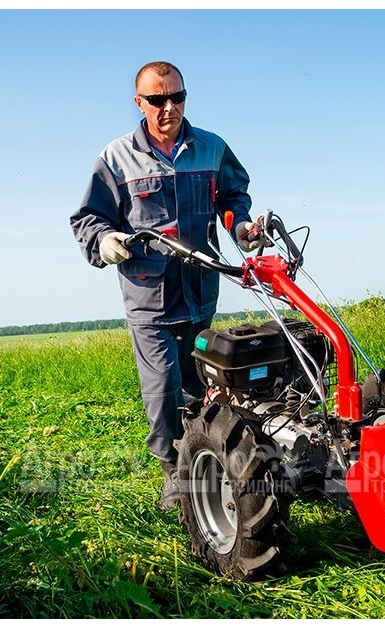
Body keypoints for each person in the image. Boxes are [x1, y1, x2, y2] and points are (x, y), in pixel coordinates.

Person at [70, 61, 262, 510]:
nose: (168, 107)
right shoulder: (116, 157)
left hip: (200, 289)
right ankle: (173, 471)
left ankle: (203, 456)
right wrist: (105, 239)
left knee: (200, 382)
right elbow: (89, 218)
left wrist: (241, 227)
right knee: (162, 387)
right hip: (148, 294)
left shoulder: (211, 148)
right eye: (157, 100)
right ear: (139, 103)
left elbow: (232, 197)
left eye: (177, 97)